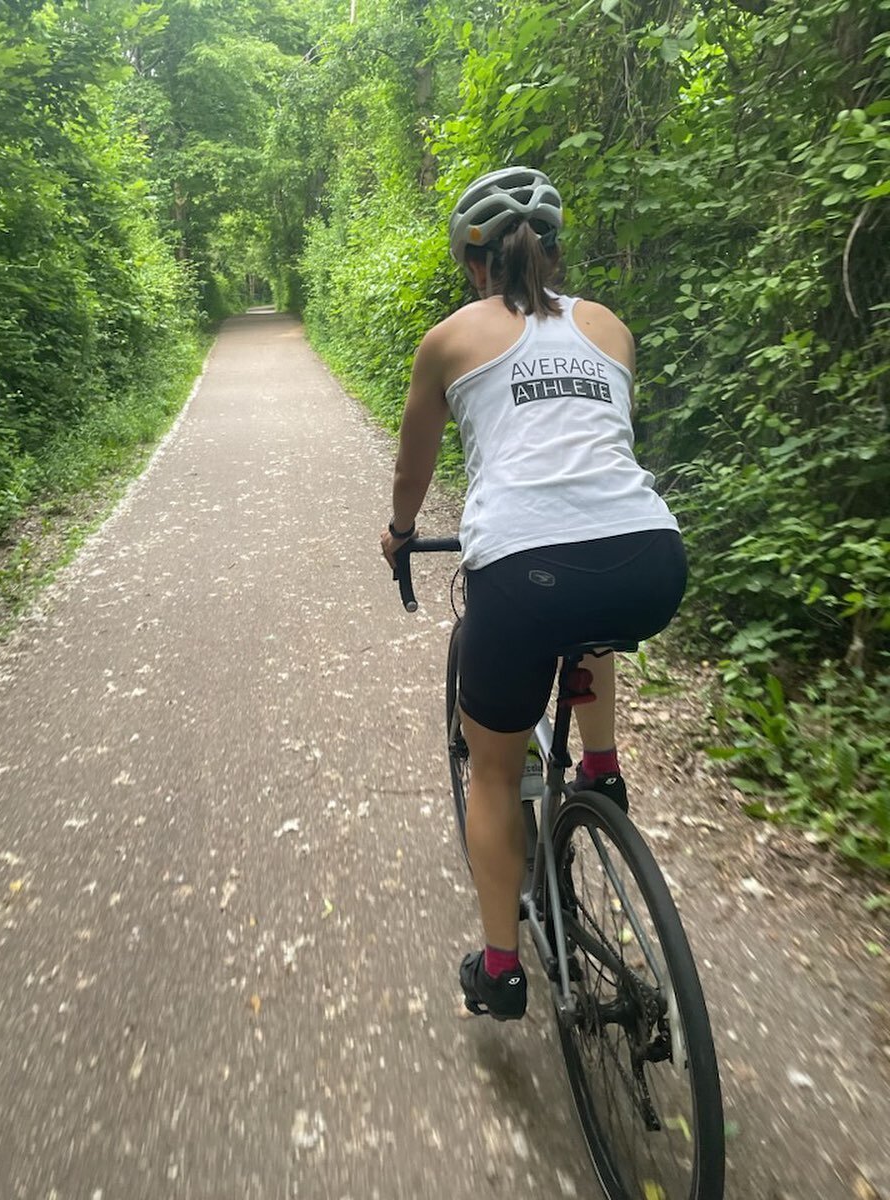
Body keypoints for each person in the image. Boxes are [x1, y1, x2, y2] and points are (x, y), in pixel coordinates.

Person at [380, 166, 687, 1021]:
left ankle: (502, 969)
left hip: (521, 572)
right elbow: (593, 460)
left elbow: (413, 471)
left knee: (492, 771)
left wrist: (401, 534)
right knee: (590, 605)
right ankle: (602, 768)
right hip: (650, 556)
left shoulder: (448, 340)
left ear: (474, 264)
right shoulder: (610, 326)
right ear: (554, 250)